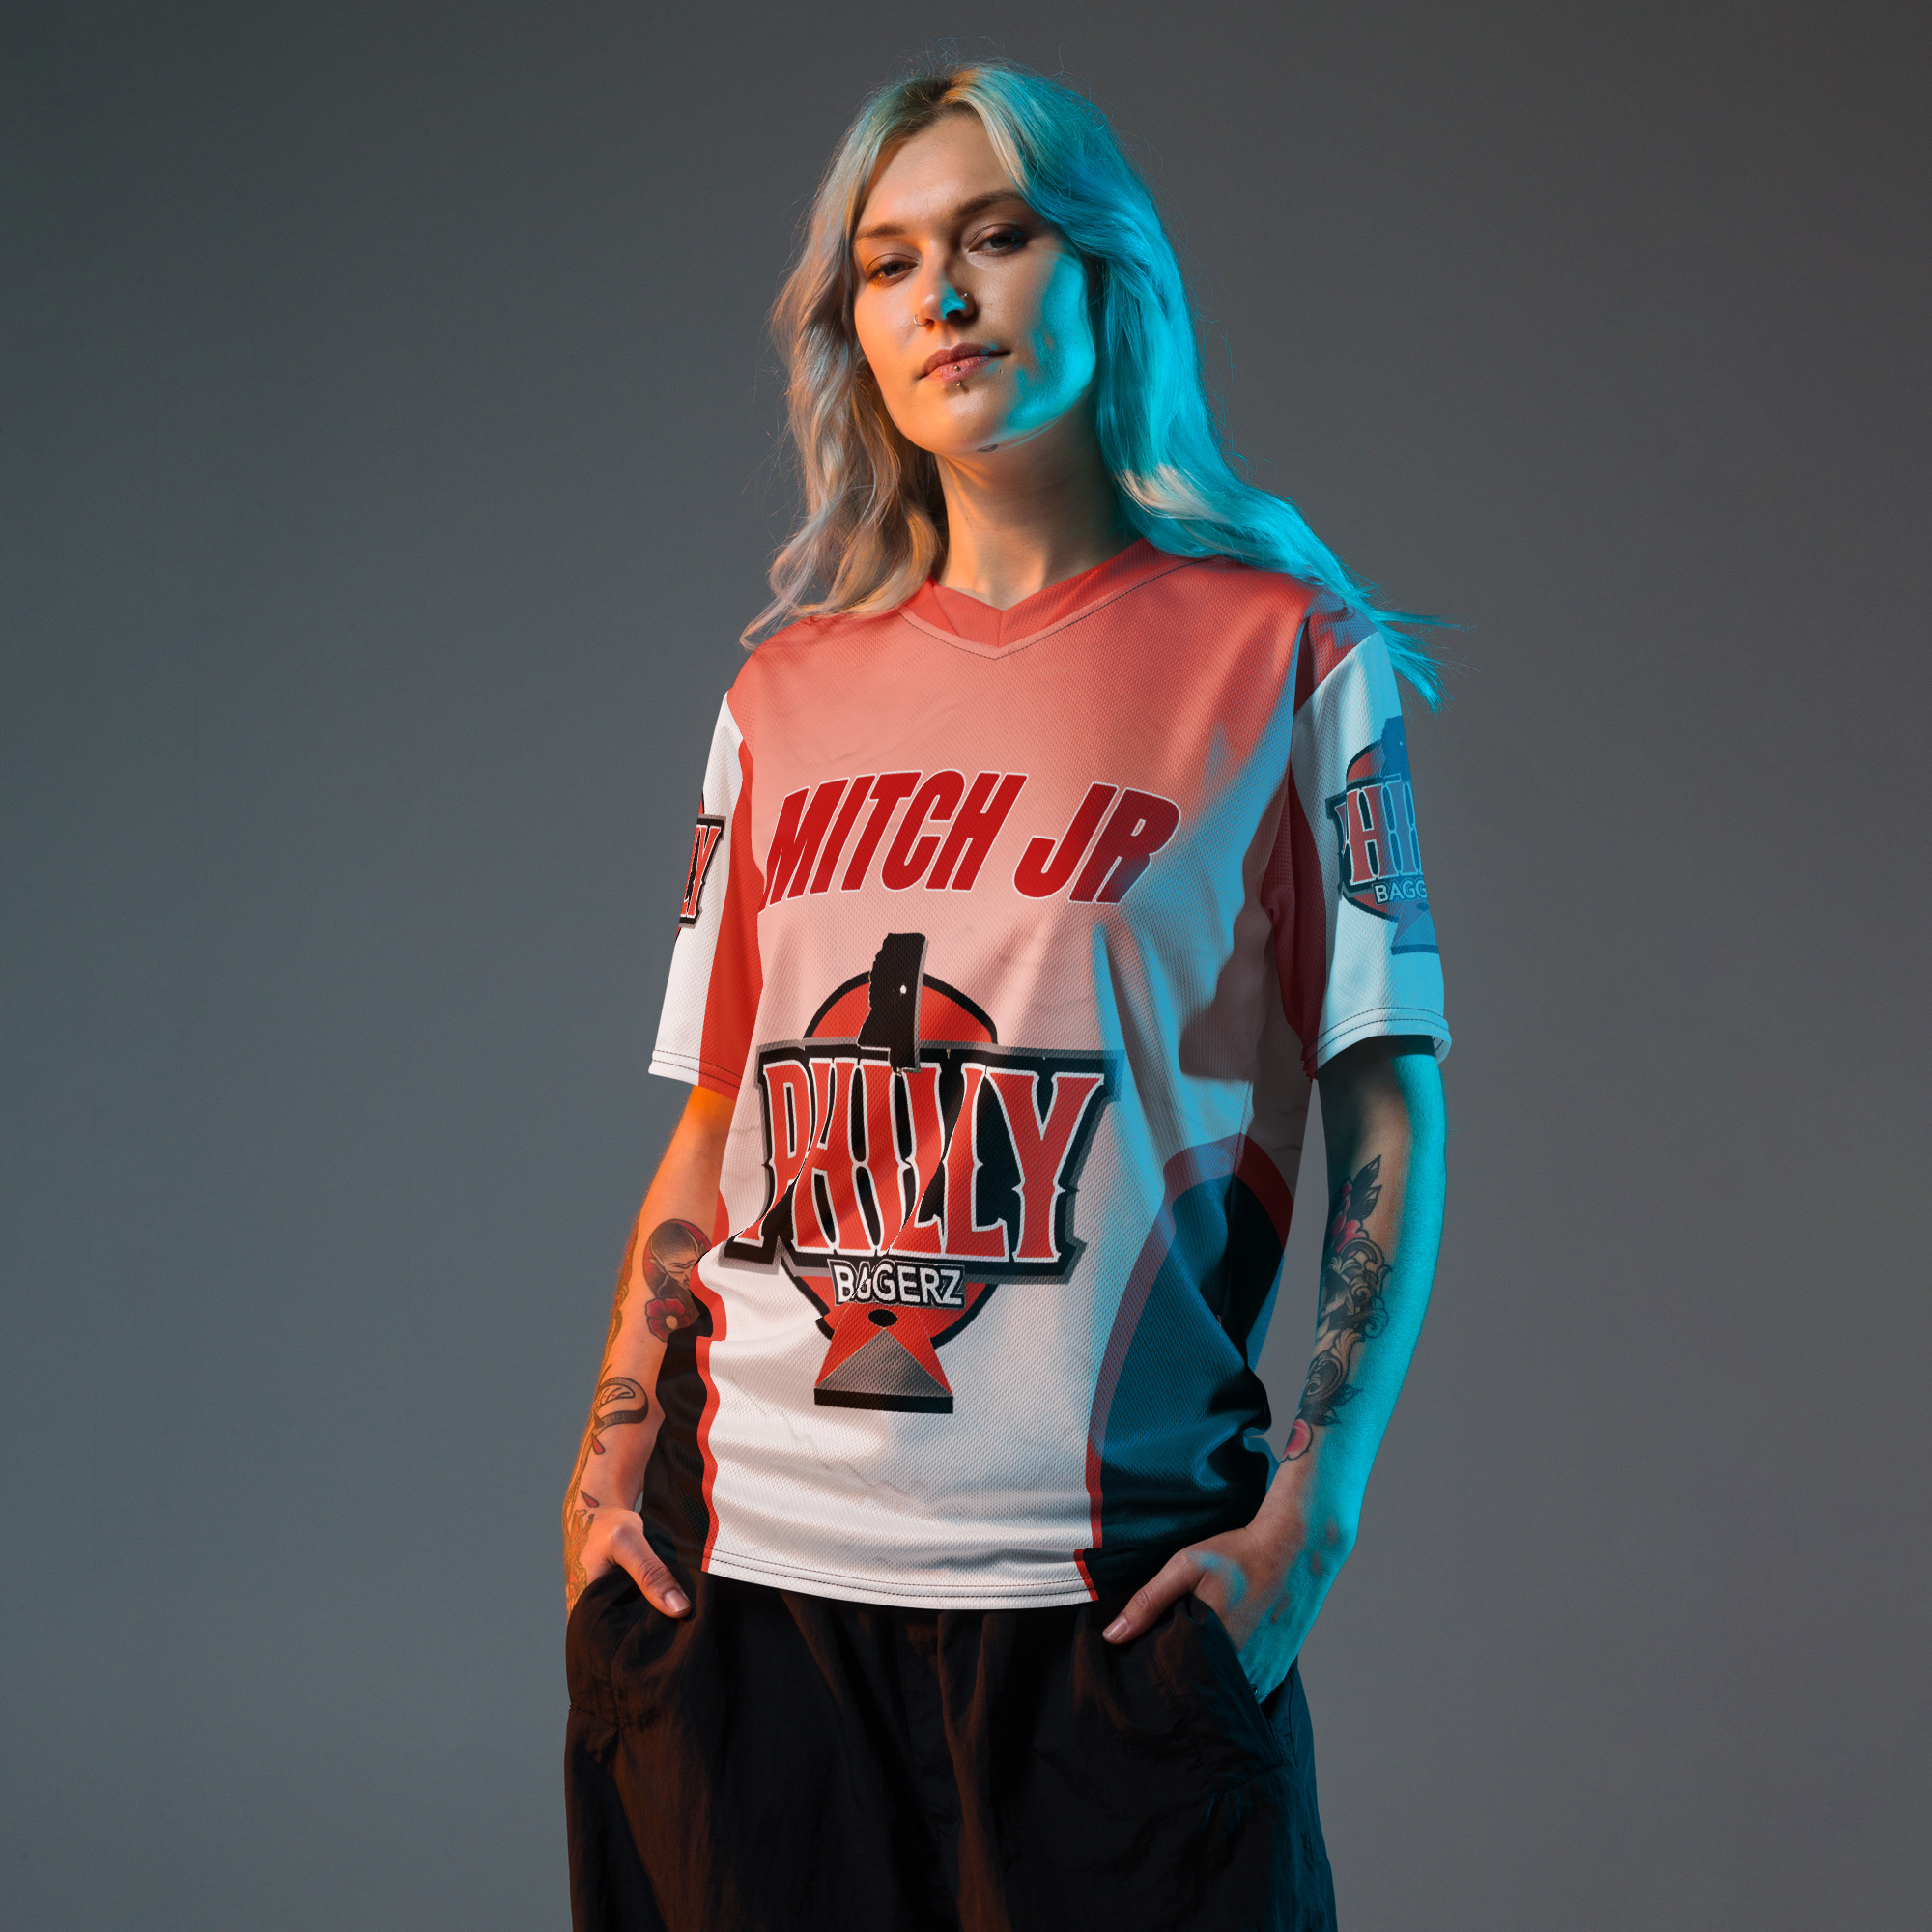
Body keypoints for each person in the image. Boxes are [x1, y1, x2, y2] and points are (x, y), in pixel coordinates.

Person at [561, 57, 1449, 1932]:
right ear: (855, 329)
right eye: (888, 263)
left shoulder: (1286, 658)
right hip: (751, 1584)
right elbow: (719, 1115)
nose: (943, 297)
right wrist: (607, 1467)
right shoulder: (781, 696)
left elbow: (1386, 1101)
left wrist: (1319, 1505)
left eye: (996, 236)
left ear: (1104, 270)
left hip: (1105, 1605)